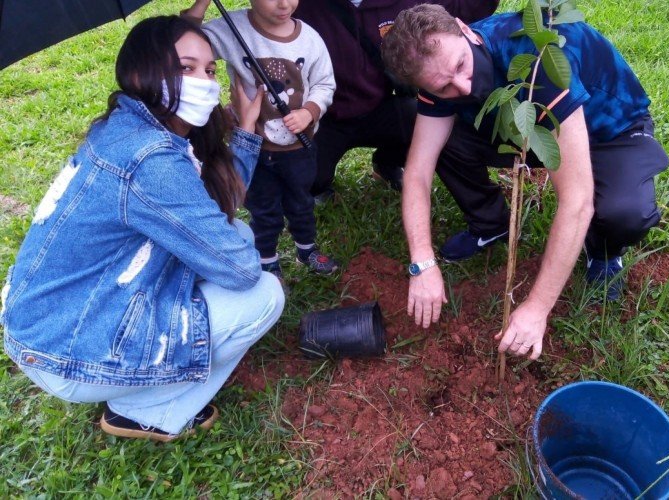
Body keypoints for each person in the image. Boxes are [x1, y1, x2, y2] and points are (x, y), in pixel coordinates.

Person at [0, 16, 284, 441]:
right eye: (185, 68)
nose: (204, 82)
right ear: (140, 72)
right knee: (263, 294)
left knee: (236, 238)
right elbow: (241, 268)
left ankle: (135, 380)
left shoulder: (128, 127)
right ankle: (146, 411)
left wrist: (244, 132)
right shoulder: (150, 159)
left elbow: (218, 214)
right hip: (68, 348)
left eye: (209, 70)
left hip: (52, 321)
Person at [381, 5, 669, 359]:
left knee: (624, 213)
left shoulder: (536, 59)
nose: (464, 85)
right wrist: (421, 260)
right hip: (530, 127)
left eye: (461, 65)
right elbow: (418, 172)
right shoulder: (437, 71)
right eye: (444, 87)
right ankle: (490, 223)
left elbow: (576, 200)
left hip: (610, 130)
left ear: (465, 30)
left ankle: (603, 251)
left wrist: (535, 309)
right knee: (443, 140)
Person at [183, 0, 338, 277]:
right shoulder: (232, 28)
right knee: (262, 209)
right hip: (251, 148)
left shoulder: (309, 39)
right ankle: (268, 260)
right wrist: (201, 5)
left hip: (297, 147)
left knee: (301, 201)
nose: (284, 3)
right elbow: (184, 43)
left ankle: (307, 248)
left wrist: (309, 112)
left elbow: (325, 83)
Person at [293, 0, 500, 201]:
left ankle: (387, 163)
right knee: (306, 181)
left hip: (381, 106)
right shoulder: (299, 6)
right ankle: (317, 182)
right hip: (323, 115)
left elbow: (462, 9)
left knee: (439, 131)